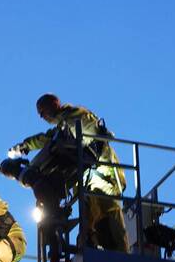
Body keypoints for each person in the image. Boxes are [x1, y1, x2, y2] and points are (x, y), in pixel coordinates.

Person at [10, 93, 129, 252]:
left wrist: (60, 145)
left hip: (103, 173)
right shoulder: (63, 125)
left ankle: (120, 258)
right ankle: (94, 252)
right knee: (89, 222)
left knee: (108, 216)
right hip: (87, 180)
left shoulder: (77, 116)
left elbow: (81, 138)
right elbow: (49, 138)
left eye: (43, 111)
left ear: (55, 104)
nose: (41, 116)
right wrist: (26, 146)